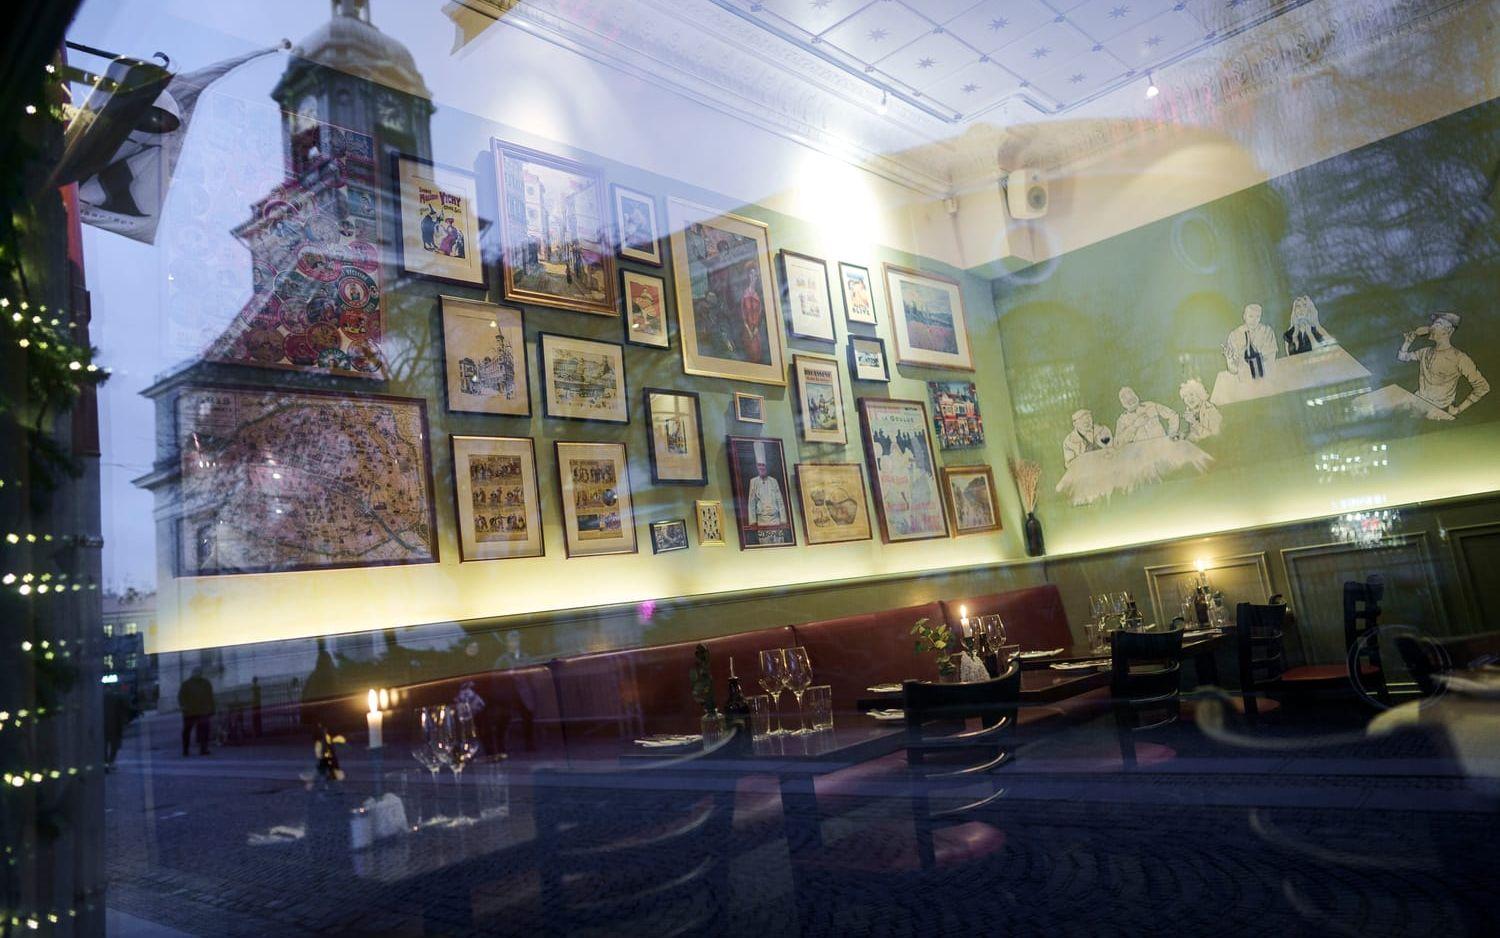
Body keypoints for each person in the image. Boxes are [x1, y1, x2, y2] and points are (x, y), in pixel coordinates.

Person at [1399, 312, 1489, 419]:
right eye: (1433, 324)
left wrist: (1458, 409)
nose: (1432, 327)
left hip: (1438, 411)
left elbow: (1483, 387)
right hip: (1418, 405)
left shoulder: (1459, 358)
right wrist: (1407, 342)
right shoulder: (1425, 352)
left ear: (1448, 330)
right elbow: (1402, 357)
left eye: (1438, 324)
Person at [1224, 303, 1278, 379]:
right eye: (1251, 316)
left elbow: (1271, 360)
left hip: (1264, 376)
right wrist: (1229, 361)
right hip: (1242, 379)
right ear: (1244, 317)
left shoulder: (1267, 332)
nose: (1254, 320)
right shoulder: (1234, 336)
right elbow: (1233, 369)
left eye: (1257, 316)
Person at [1114, 386, 1180, 444]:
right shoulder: (1122, 420)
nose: (1129, 397)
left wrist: (1172, 432)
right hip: (1142, 452)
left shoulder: (1151, 405)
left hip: (1161, 446)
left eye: (1130, 393)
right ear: (1121, 402)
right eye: (1124, 396)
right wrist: (1134, 426)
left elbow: (1173, 415)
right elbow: (1117, 443)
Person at [747, 448, 788, 533]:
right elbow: (751, 502)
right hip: (761, 520)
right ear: (757, 467)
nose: (761, 468)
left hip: (775, 519)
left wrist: (783, 519)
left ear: (767, 466)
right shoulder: (753, 481)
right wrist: (752, 521)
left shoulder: (773, 481)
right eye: (759, 465)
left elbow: (780, 500)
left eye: (763, 465)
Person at [178, 667, 215, 757]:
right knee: (187, 731)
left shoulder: (206, 683)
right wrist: (183, 706)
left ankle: (204, 749)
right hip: (189, 712)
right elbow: (181, 696)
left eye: (199, 672)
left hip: (203, 711)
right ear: (192, 673)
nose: (197, 674)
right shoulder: (186, 684)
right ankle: (185, 750)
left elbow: (210, 696)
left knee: (204, 730)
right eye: (196, 672)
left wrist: (212, 709)